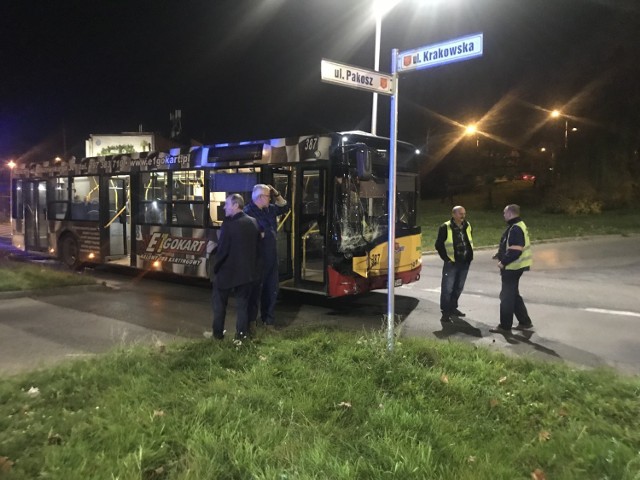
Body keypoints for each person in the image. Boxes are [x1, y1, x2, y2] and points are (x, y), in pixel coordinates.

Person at [211, 194, 261, 340]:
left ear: (235, 205)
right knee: (242, 307)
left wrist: (216, 268)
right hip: (246, 274)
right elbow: (257, 249)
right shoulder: (253, 222)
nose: (224, 207)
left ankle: (218, 334)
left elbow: (222, 250)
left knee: (219, 306)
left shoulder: (228, 225)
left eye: (226, 204)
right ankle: (240, 336)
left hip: (227, 273)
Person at [244, 183, 290, 327]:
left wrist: (276, 193)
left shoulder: (269, 209)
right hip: (257, 259)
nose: (270, 199)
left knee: (271, 290)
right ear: (260, 197)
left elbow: (284, 207)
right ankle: (250, 323)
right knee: (255, 292)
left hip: (270, 256)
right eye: (268, 196)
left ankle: (268, 321)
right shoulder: (248, 212)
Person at [490, 204, 534, 334]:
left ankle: (505, 326)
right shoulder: (519, 225)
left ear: (509, 213)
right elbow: (510, 245)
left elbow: (516, 250)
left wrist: (503, 262)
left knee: (506, 297)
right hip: (517, 267)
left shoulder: (515, 228)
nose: (503, 215)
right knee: (513, 294)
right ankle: (525, 322)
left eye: (504, 213)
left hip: (512, 267)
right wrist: (499, 254)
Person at [434, 205, 474, 323]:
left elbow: (469, 241)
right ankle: (445, 312)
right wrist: (446, 258)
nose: (463, 216)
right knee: (447, 288)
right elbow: (439, 245)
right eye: (460, 213)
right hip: (451, 263)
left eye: (464, 213)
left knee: (458, 287)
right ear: (453, 214)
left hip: (465, 262)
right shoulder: (445, 227)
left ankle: (453, 308)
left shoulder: (468, 225)